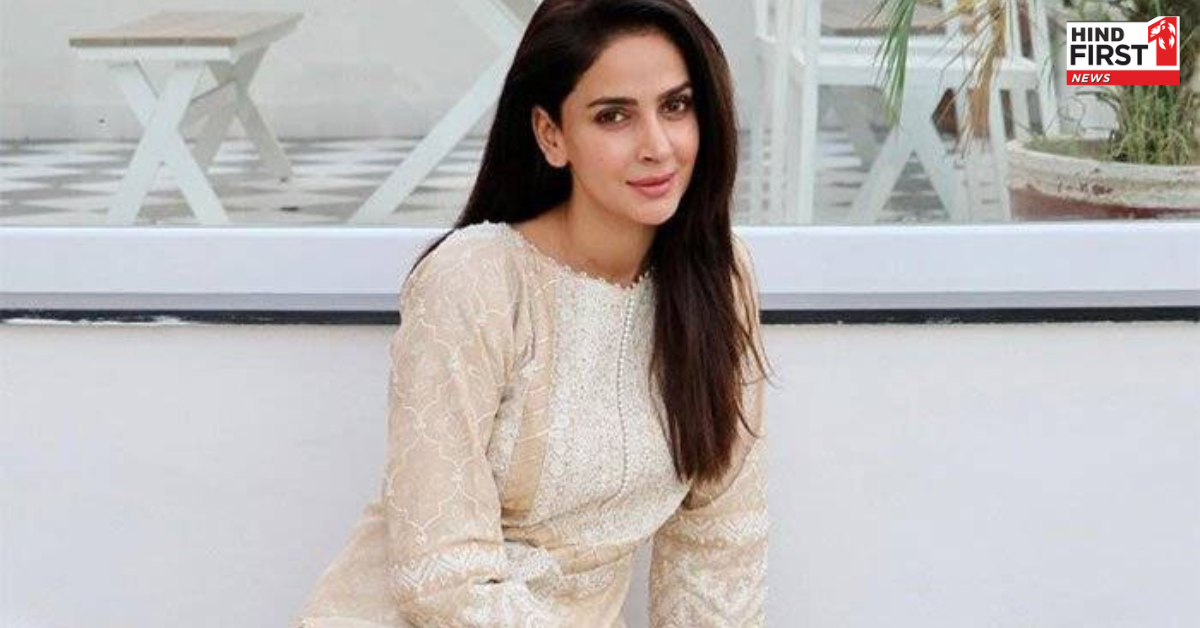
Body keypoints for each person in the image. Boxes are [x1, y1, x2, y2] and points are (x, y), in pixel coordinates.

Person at [295, 1, 775, 625]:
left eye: (676, 106)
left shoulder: (718, 278)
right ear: (551, 135)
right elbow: (443, 579)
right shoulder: (476, 280)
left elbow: (718, 545)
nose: (658, 146)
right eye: (614, 116)